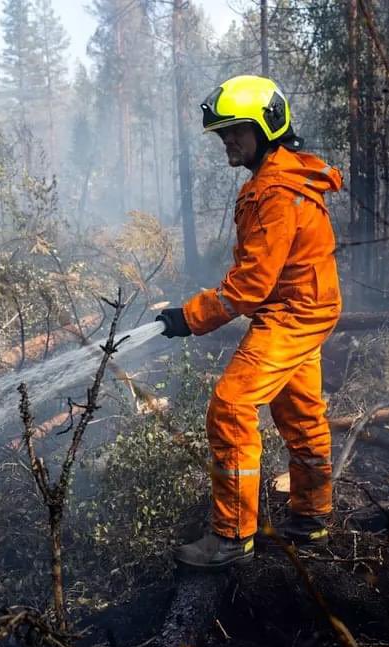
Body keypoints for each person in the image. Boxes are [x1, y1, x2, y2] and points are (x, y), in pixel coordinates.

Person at [155, 75, 343, 568]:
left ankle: (233, 535)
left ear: (267, 127)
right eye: (222, 133)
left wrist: (188, 318)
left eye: (235, 130)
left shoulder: (277, 191)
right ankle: (311, 516)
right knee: (300, 413)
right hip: (305, 306)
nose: (227, 141)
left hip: (292, 313)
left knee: (231, 404)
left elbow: (249, 286)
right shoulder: (277, 178)